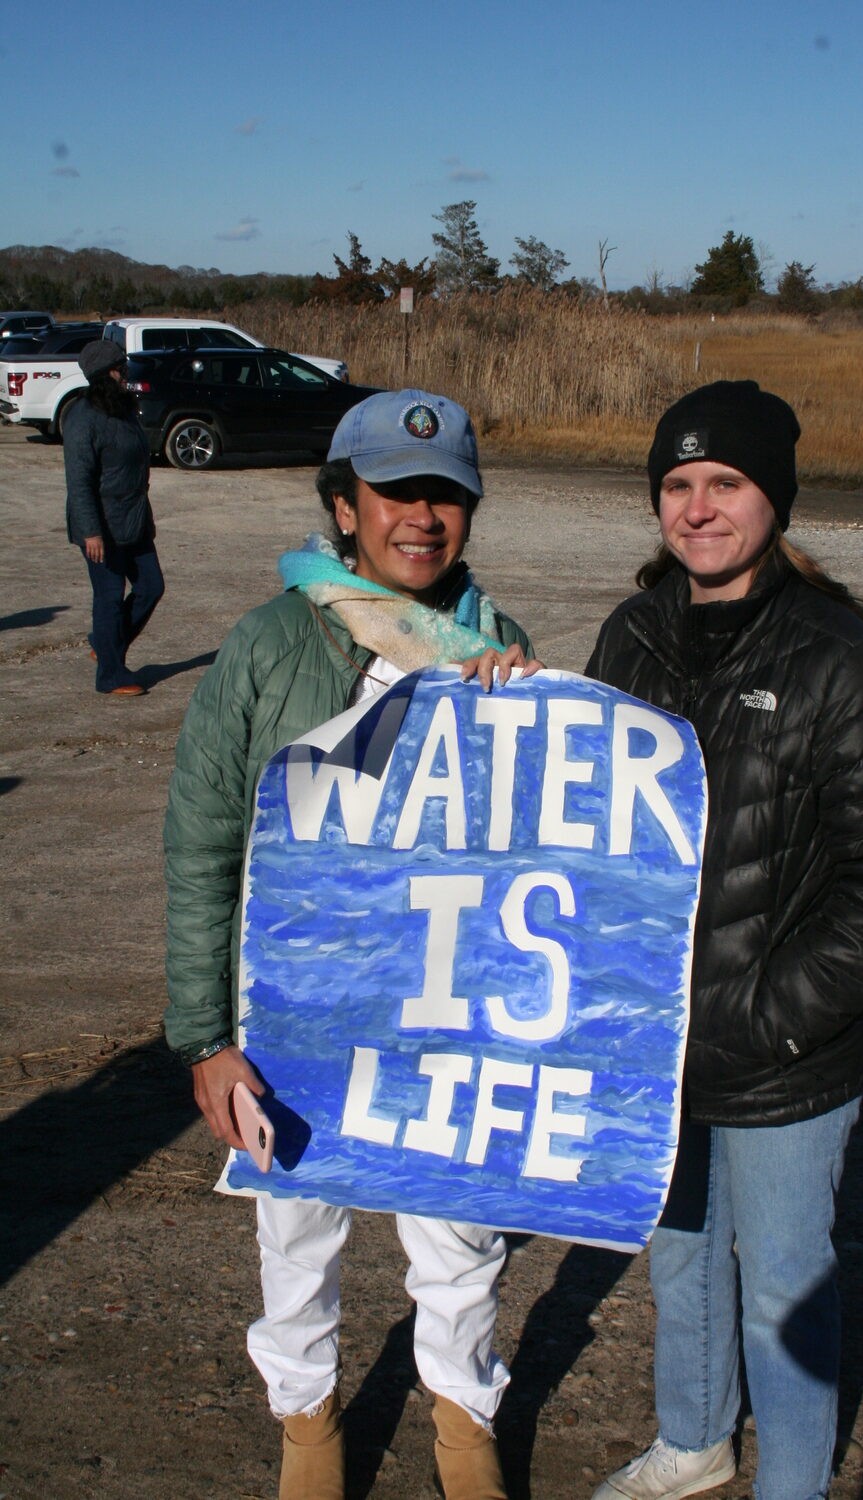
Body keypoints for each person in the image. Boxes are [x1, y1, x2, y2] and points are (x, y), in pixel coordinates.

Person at [163, 389, 535, 1500]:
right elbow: (202, 844)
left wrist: (524, 713)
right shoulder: (268, 645)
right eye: (393, 493)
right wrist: (203, 1035)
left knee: (462, 1243)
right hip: (297, 1017)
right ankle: (308, 1430)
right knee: (297, 1238)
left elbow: (542, 863)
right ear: (342, 506)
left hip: (443, 1015)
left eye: (445, 495)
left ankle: (465, 1433)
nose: (419, 517)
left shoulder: (500, 649)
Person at [577, 381, 863, 1500]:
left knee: (784, 1279)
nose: (697, 508)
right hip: (656, 1039)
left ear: (771, 499)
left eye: (724, 484)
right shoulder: (629, 635)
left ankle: (791, 1480)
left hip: (786, 1051)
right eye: (677, 486)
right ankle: (693, 1442)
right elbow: (575, 819)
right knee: (679, 1252)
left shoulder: (836, 655)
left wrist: (766, 1018)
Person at [63, 340, 164, 696]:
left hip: (134, 520)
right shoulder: (82, 417)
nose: (127, 374)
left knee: (152, 586)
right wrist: (91, 531)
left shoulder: (122, 409)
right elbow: (78, 481)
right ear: (106, 374)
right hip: (101, 526)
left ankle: (104, 645)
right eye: (121, 368)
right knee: (108, 597)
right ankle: (110, 674)